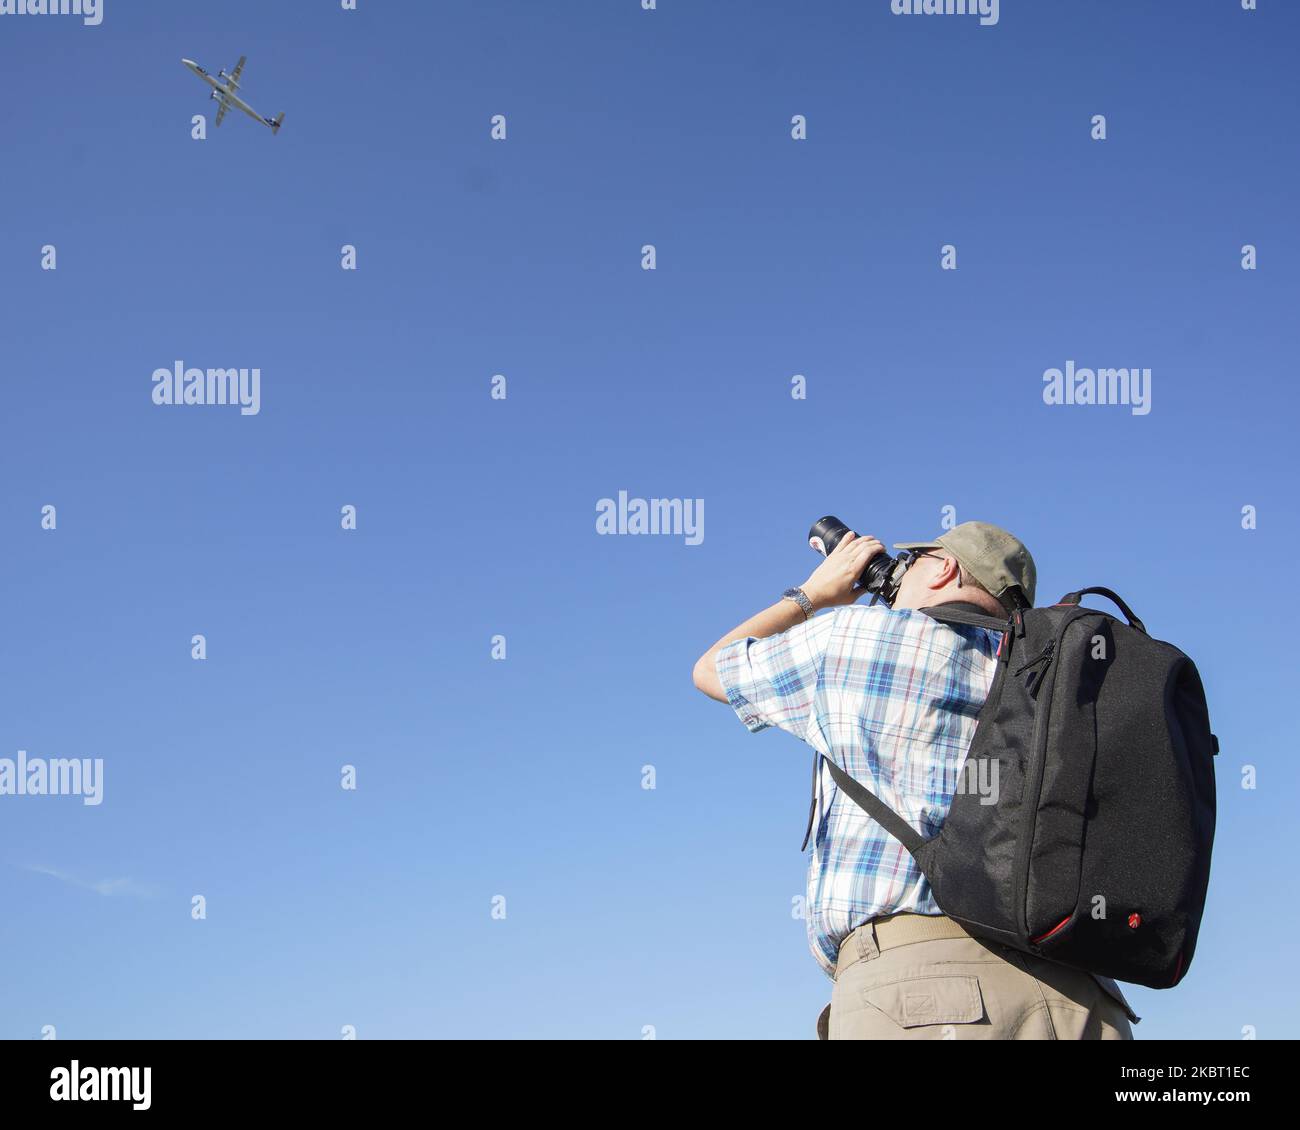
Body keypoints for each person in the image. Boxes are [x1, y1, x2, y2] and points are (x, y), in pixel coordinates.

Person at [692, 521, 1137, 1040]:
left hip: (926, 993)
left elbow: (712, 669)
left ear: (945, 567)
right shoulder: (1061, 680)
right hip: (1086, 997)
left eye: (915, 560)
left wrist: (813, 593)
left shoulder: (858, 635)